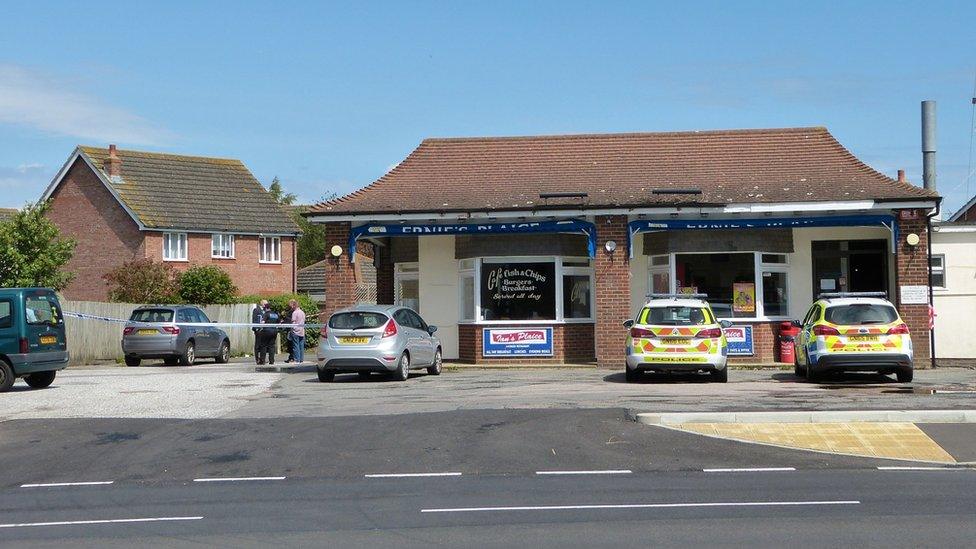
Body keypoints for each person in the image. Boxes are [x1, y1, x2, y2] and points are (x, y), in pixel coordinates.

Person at [288, 299, 306, 364]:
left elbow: (293, 322)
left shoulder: (295, 313)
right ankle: (301, 359)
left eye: (292, 306)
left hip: (295, 331)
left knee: (296, 346)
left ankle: (297, 359)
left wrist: (292, 330)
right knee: (301, 346)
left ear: (294, 306)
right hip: (302, 331)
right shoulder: (302, 312)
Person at [251, 300, 267, 364]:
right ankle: (257, 359)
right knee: (257, 345)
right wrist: (256, 328)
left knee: (264, 345)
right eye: (266, 304)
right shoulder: (256, 310)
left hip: (264, 330)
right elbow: (254, 319)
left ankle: (263, 359)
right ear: (262, 304)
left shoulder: (266, 311)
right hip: (258, 330)